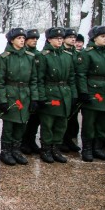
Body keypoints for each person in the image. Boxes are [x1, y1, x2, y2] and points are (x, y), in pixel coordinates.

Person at [0, 28, 38, 166]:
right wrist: (2, 100)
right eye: (19, 38)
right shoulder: (4, 57)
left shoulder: (30, 57)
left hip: (25, 94)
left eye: (23, 38)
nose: (22, 40)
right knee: (9, 125)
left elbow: (34, 80)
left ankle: (16, 150)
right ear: (11, 40)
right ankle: (5, 151)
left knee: (22, 123)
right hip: (10, 94)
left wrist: (34, 98)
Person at [36, 27, 77, 164]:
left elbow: (71, 77)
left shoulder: (67, 56)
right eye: (56, 38)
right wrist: (41, 97)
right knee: (48, 123)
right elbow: (39, 79)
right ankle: (46, 149)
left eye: (61, 38)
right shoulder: (43, 56)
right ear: (49, 40)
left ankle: (56, 148)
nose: (59, 40)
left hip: (64, 93)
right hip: (50, 92)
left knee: (61, 123)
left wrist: (73, 94)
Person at [76, 26, 105, 162]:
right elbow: (81, 74)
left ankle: (98, 148)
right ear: (95, 38)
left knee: (103, 122)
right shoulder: (87, 53)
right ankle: (87, 149)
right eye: (103, 36)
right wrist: (84, 92)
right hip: (93, 91)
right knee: (89, 122)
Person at [21, 29, 42, 154]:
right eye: (32, 38)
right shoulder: (24, 54)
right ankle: (23, 141)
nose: (34, 40)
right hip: (25, 89)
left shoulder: (39, 55)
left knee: (35, 118)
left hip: (37, 89)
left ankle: (31, 140)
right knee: (24, 117)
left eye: (36, 39)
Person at [60, 28, 81, 152]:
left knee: (73, 118)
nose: (73, 39)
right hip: (63, 88)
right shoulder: (61, 53)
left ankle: (69, 139)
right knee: (63, 117)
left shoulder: (79, 53)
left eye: (74, 37)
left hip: (75, 88)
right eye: (70, 37)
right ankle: (61, 140)